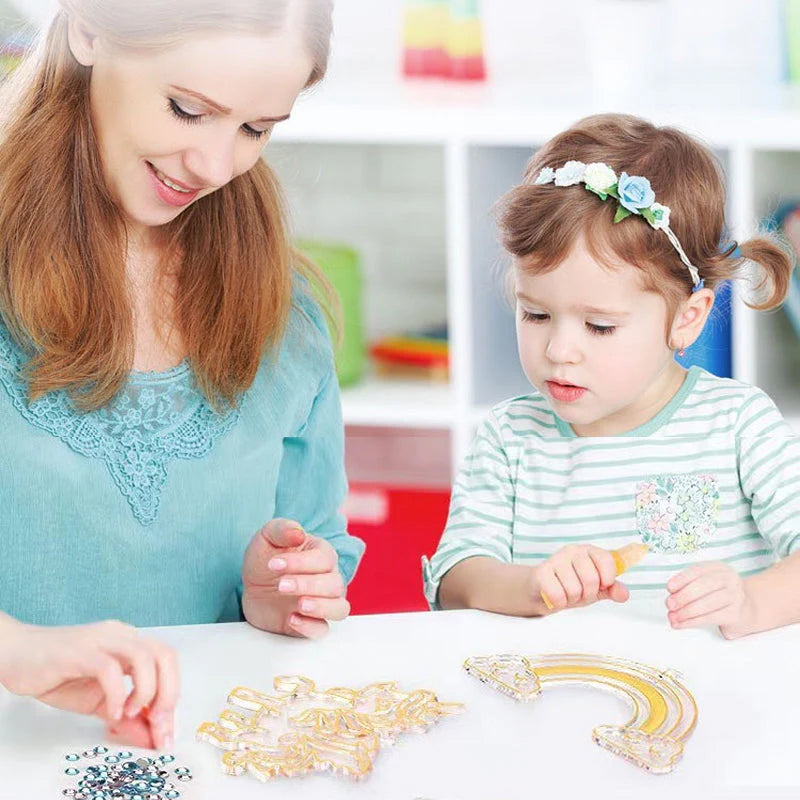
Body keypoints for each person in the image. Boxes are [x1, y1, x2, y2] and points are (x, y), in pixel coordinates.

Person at [0, 0, 364, 750]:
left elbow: (316, 536)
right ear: (89, 31)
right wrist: (16, 651)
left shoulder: (283, 310)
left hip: (206, 753)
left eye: (255, 129)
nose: (216, 164)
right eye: (188, 108)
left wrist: (277, 595)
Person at [423, 113, 799, 639]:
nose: (558, 350)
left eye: (599, 326)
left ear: (686, 319)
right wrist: (531, 587)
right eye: (535, 314)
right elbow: (455, 578)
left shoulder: (737, 425)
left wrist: (752, 602)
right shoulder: (510, 439)